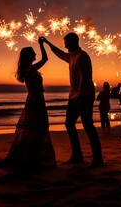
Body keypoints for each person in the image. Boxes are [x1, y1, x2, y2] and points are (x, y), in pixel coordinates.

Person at [42, 32, 104, 168]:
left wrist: (80, 95)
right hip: (74, 96)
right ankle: (77, 155)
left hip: (84, 96)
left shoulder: (82, 56)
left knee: (88, 125)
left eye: (66, 43)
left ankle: (98, 158)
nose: (64, 46)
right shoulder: (71, 56)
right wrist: (47, 43)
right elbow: (59, 53)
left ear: (73, 42)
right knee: (69, 124)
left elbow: (85, 78)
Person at [0, 37, 56, 172]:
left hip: (35, 100)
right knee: (38, 129)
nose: (35, 55)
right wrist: (42, 44)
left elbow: (44, 60)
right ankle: (32, 159)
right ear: (29, 56)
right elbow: (45, 59)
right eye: (33, 53)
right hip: (36, 101)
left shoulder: (29, 69)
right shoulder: (30, 69)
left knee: (35, 129)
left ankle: (33, 157)